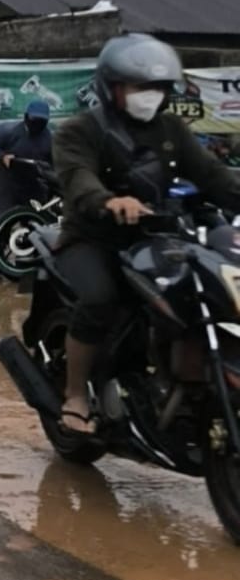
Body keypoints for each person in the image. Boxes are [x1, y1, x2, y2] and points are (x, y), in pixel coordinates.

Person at [51, 34, 240, 435]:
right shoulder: (80, 130)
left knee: (204, 293)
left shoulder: (171, 129)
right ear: (112, 88)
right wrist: (108, 201)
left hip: (160, 237)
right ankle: (76, 395)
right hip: (93, 238)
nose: (149, 96)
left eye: (157, 88)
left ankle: (180, 383)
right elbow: (77, 177)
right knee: (101, 298)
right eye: (139, 87)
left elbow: (213, 176)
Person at [0, 99, 55, 276]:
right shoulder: (8, 131)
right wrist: (2, 157)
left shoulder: (50, 138)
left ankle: (29, 262)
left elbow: (55, 164)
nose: (37, 124)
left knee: (36, 223)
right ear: (26, 118)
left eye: (42, 121)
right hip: (9, 183)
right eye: (34, 120)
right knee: (2, 220)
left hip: (34, 185)